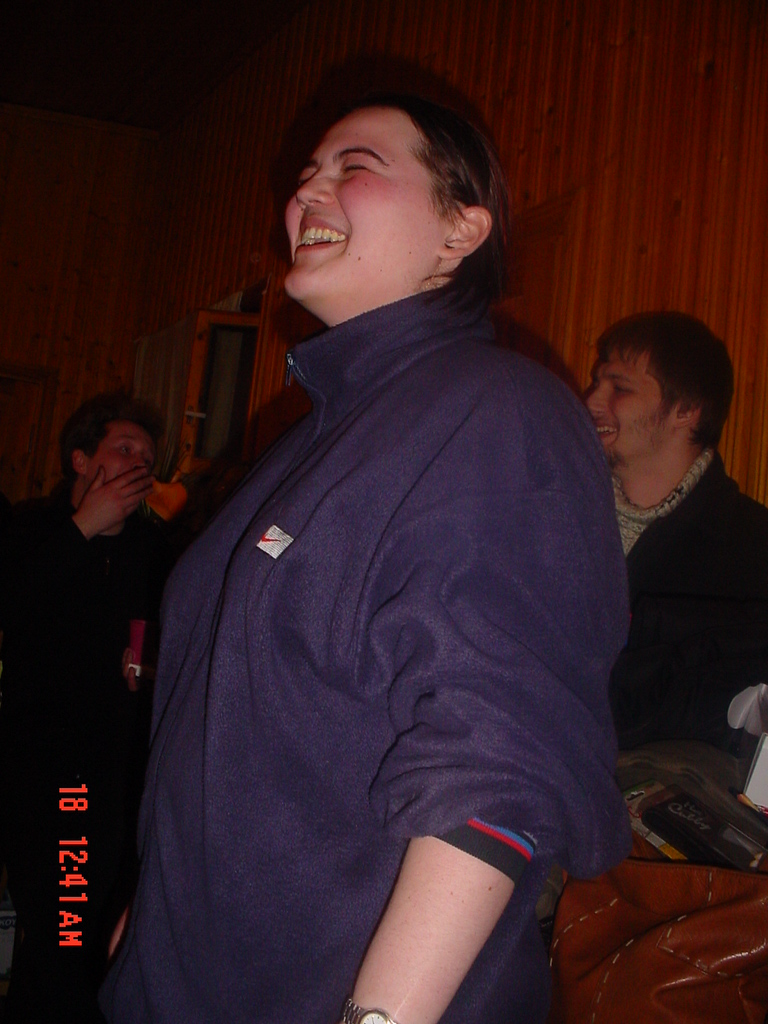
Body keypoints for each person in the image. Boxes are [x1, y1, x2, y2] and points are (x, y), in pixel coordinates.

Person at [100, 95, 629, 1024]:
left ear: (461, 231)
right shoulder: (309, 442)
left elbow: (501, 761)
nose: (308, 189)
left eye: (355, 165)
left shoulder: (498, 412)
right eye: (307, 171)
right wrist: (153, 913)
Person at [0, 392, 172, 1023]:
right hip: (51, 777)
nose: (138, 463)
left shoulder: (158, 550)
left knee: (102, 940)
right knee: (62, 935)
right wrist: (83, 527)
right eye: (124, 448)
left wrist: (153, 673)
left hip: (125, 780)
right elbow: (12, 602)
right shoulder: (31, 529)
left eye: (147, 455)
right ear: (80, 458)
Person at [585, 312, 768, 749]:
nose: (590, 401)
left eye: (620, 387)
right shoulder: (552, 517)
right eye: (596, 382)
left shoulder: (755, 549)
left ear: (686, 410)